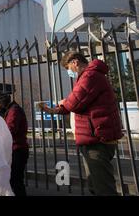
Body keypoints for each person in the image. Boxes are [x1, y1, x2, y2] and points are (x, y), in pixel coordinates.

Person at [42, 51, 123, 196]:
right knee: (95, 184)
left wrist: (63, 103)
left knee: (103, 188)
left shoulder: (90, 76)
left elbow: (74, 102)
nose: (69, 72)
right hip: (93, 138)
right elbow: (75, 103)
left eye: (68, 68)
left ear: (75, 62)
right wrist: (55, 110)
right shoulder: (88, 77)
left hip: (97, 139)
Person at [0, 92, 29, 196]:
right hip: (14, 149)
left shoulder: (14, 111)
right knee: (13, 180)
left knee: (15, 180)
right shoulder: (10, 110)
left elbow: (10, 129)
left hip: (17, 150)